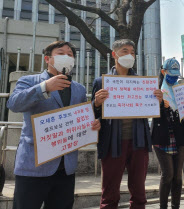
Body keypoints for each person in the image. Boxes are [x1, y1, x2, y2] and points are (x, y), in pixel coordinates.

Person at [7, 41, 101, 209]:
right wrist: (44, 87)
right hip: (33, 165)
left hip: (66, 168)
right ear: (47, 59)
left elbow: (79, 119)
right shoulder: (29, 81)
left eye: (70, 55)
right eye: (61, 53)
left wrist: (91, 125)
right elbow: (14, 104)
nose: (67, 57)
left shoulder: (78, 89)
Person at [91, 39, 163, 209]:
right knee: (109, 193)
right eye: (125, 51)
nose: (130, 55)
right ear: (114, 54)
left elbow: (151, 111)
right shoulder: (101, 82)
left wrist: (157, 101)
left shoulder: (144, 83)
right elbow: (92, 115)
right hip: (111, 142)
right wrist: (96, 104)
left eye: (132, 52)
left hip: (139, 142)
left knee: (139, 192)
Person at [151, 58, 184, 209]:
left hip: (179, 136)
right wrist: (160, 104)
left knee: (178, 176)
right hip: (162, 137)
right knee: (168, 174)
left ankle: (175, 205)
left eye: (177, 74)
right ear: (163, 72)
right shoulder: (156, 90)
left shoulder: (181, 90)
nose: (174, 77)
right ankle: (163, 206)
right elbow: (149, 112)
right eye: (171, 73)